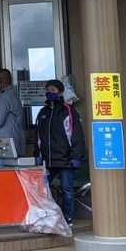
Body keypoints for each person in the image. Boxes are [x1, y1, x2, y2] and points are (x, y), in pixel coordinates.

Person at [35, 77, 85, 222]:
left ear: (60, 92)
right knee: (42, 188)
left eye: (53, 90)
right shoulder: (43, 112)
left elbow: (76, 135)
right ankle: (47, 217)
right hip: (48, 159)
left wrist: (76, 156)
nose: (49, 93)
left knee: (67, 190)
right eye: (47, 90)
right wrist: (37, 154)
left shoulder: (68, 111)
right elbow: (38, 137)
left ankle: (68, 219)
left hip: (65, 159)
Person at [0, 68, 25, 159]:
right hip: (9, 141)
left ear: (0, 80)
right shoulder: (12, 94)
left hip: (3, 143)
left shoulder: (4, 97)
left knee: (2, 166)